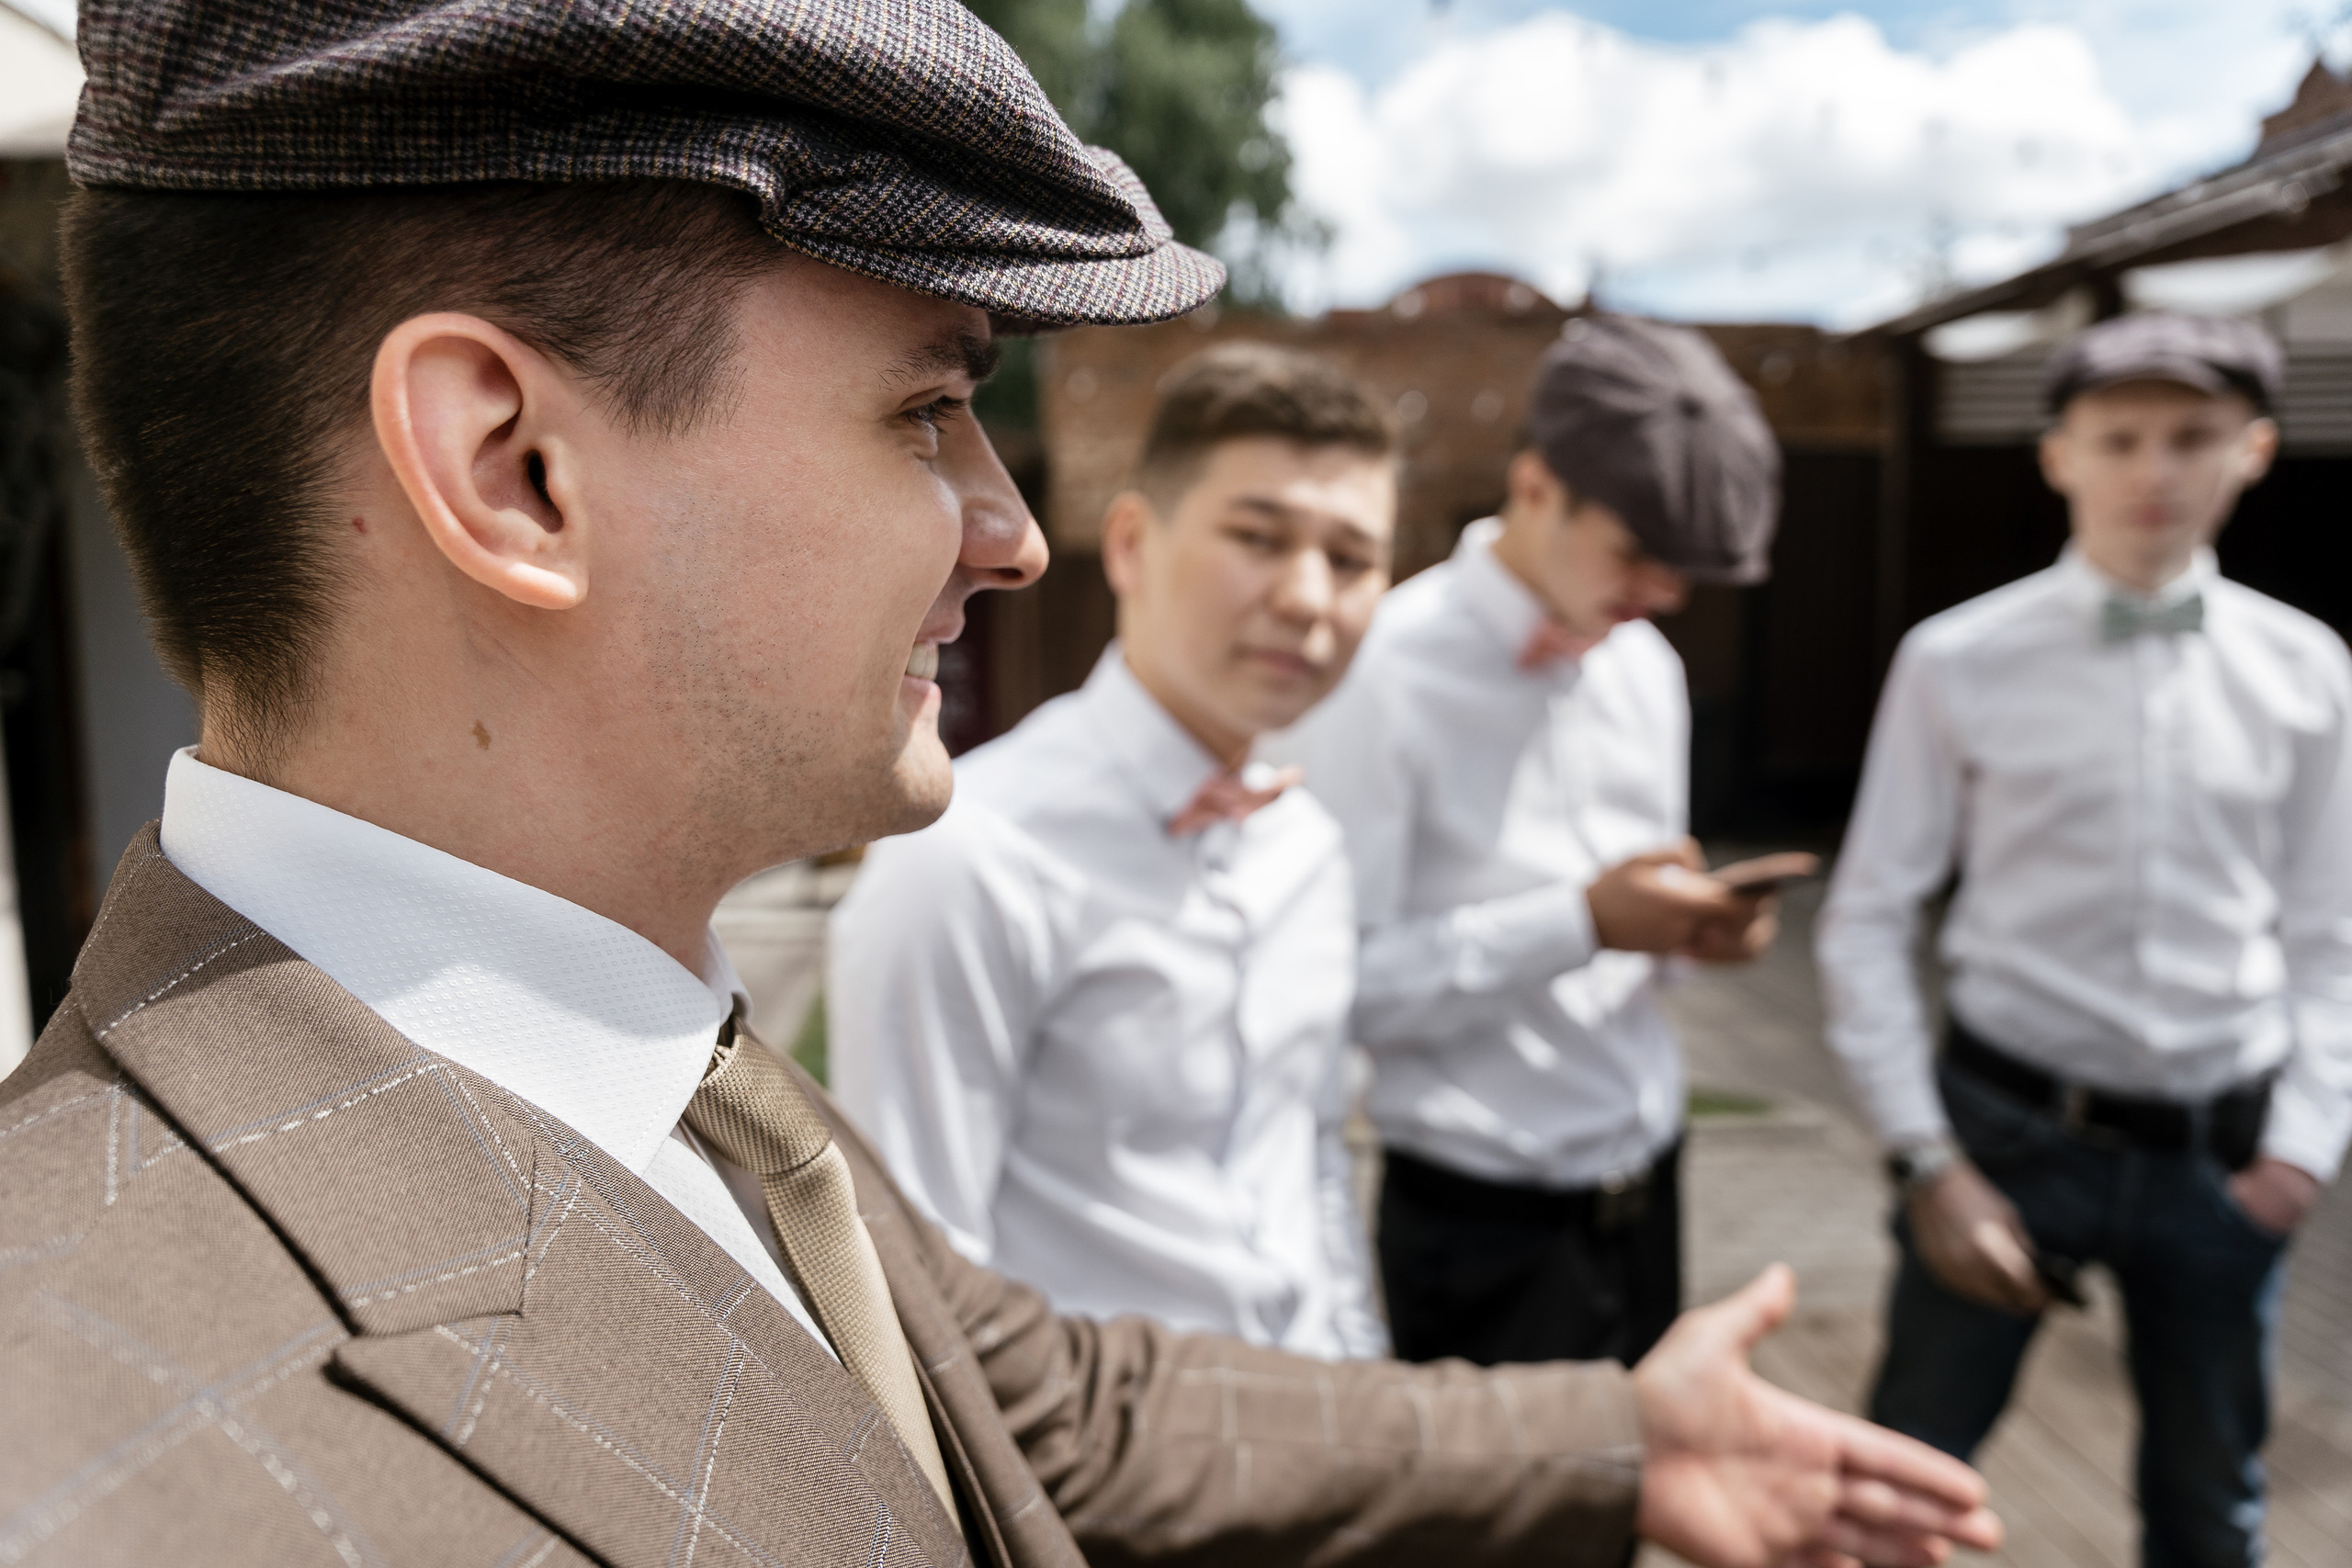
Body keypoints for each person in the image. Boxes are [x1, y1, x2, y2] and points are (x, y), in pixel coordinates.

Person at [0, 3, 2004, 1563]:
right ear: (513, 466)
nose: (1009, 529)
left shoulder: (646, 1046)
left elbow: (1037, 1405)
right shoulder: (87, 1450)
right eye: (933, 404)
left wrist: (1612, 1438)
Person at [1816, 311, 2350, 1568]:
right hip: (2005, 1135)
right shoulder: (1957, 659)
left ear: (2256, 449)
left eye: (2191, 438)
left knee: (2212, 1505)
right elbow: (1868, 915)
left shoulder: (2312, 670)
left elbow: (2336, 932)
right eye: (2119, 438)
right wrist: (1926, 1159)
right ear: (2058, 455)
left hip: (2224, 1153)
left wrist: (2302, 1154)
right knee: (1904, 1479)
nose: (2154, 472)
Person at [832, 344, 1394, 1359]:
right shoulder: (970, 856)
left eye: (1352, 559)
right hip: (1101, 1485)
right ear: (1131, 544)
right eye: (1259, 537)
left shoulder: (1308, 845)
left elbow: (1309, 1161)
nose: (1311, 597)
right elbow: (920, 1289)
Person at [1278, 315, 1810, 1371]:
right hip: (1481, 1228)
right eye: (1637, 556)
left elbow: (1633, 958)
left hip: (1651, 1186)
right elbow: (1332, 982)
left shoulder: (1646, 670)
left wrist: (1692, 939)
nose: (1662, 595)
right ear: (1533, 485)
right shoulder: (1378, 673)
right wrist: (1580, 922)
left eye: (1682, 572)